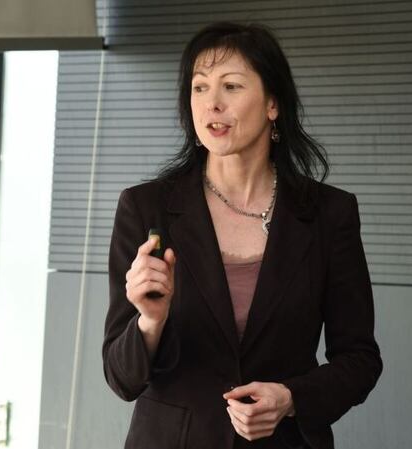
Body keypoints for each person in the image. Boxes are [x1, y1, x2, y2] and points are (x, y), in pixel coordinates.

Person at [102, 22, 383, 449]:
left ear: (273, 104)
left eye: (231, 86)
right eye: (199, 88)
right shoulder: (145, 208)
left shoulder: (329, 213)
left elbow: (360, 360)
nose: (211, 103)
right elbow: (121, 379)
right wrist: (149, 322)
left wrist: (291, 398)